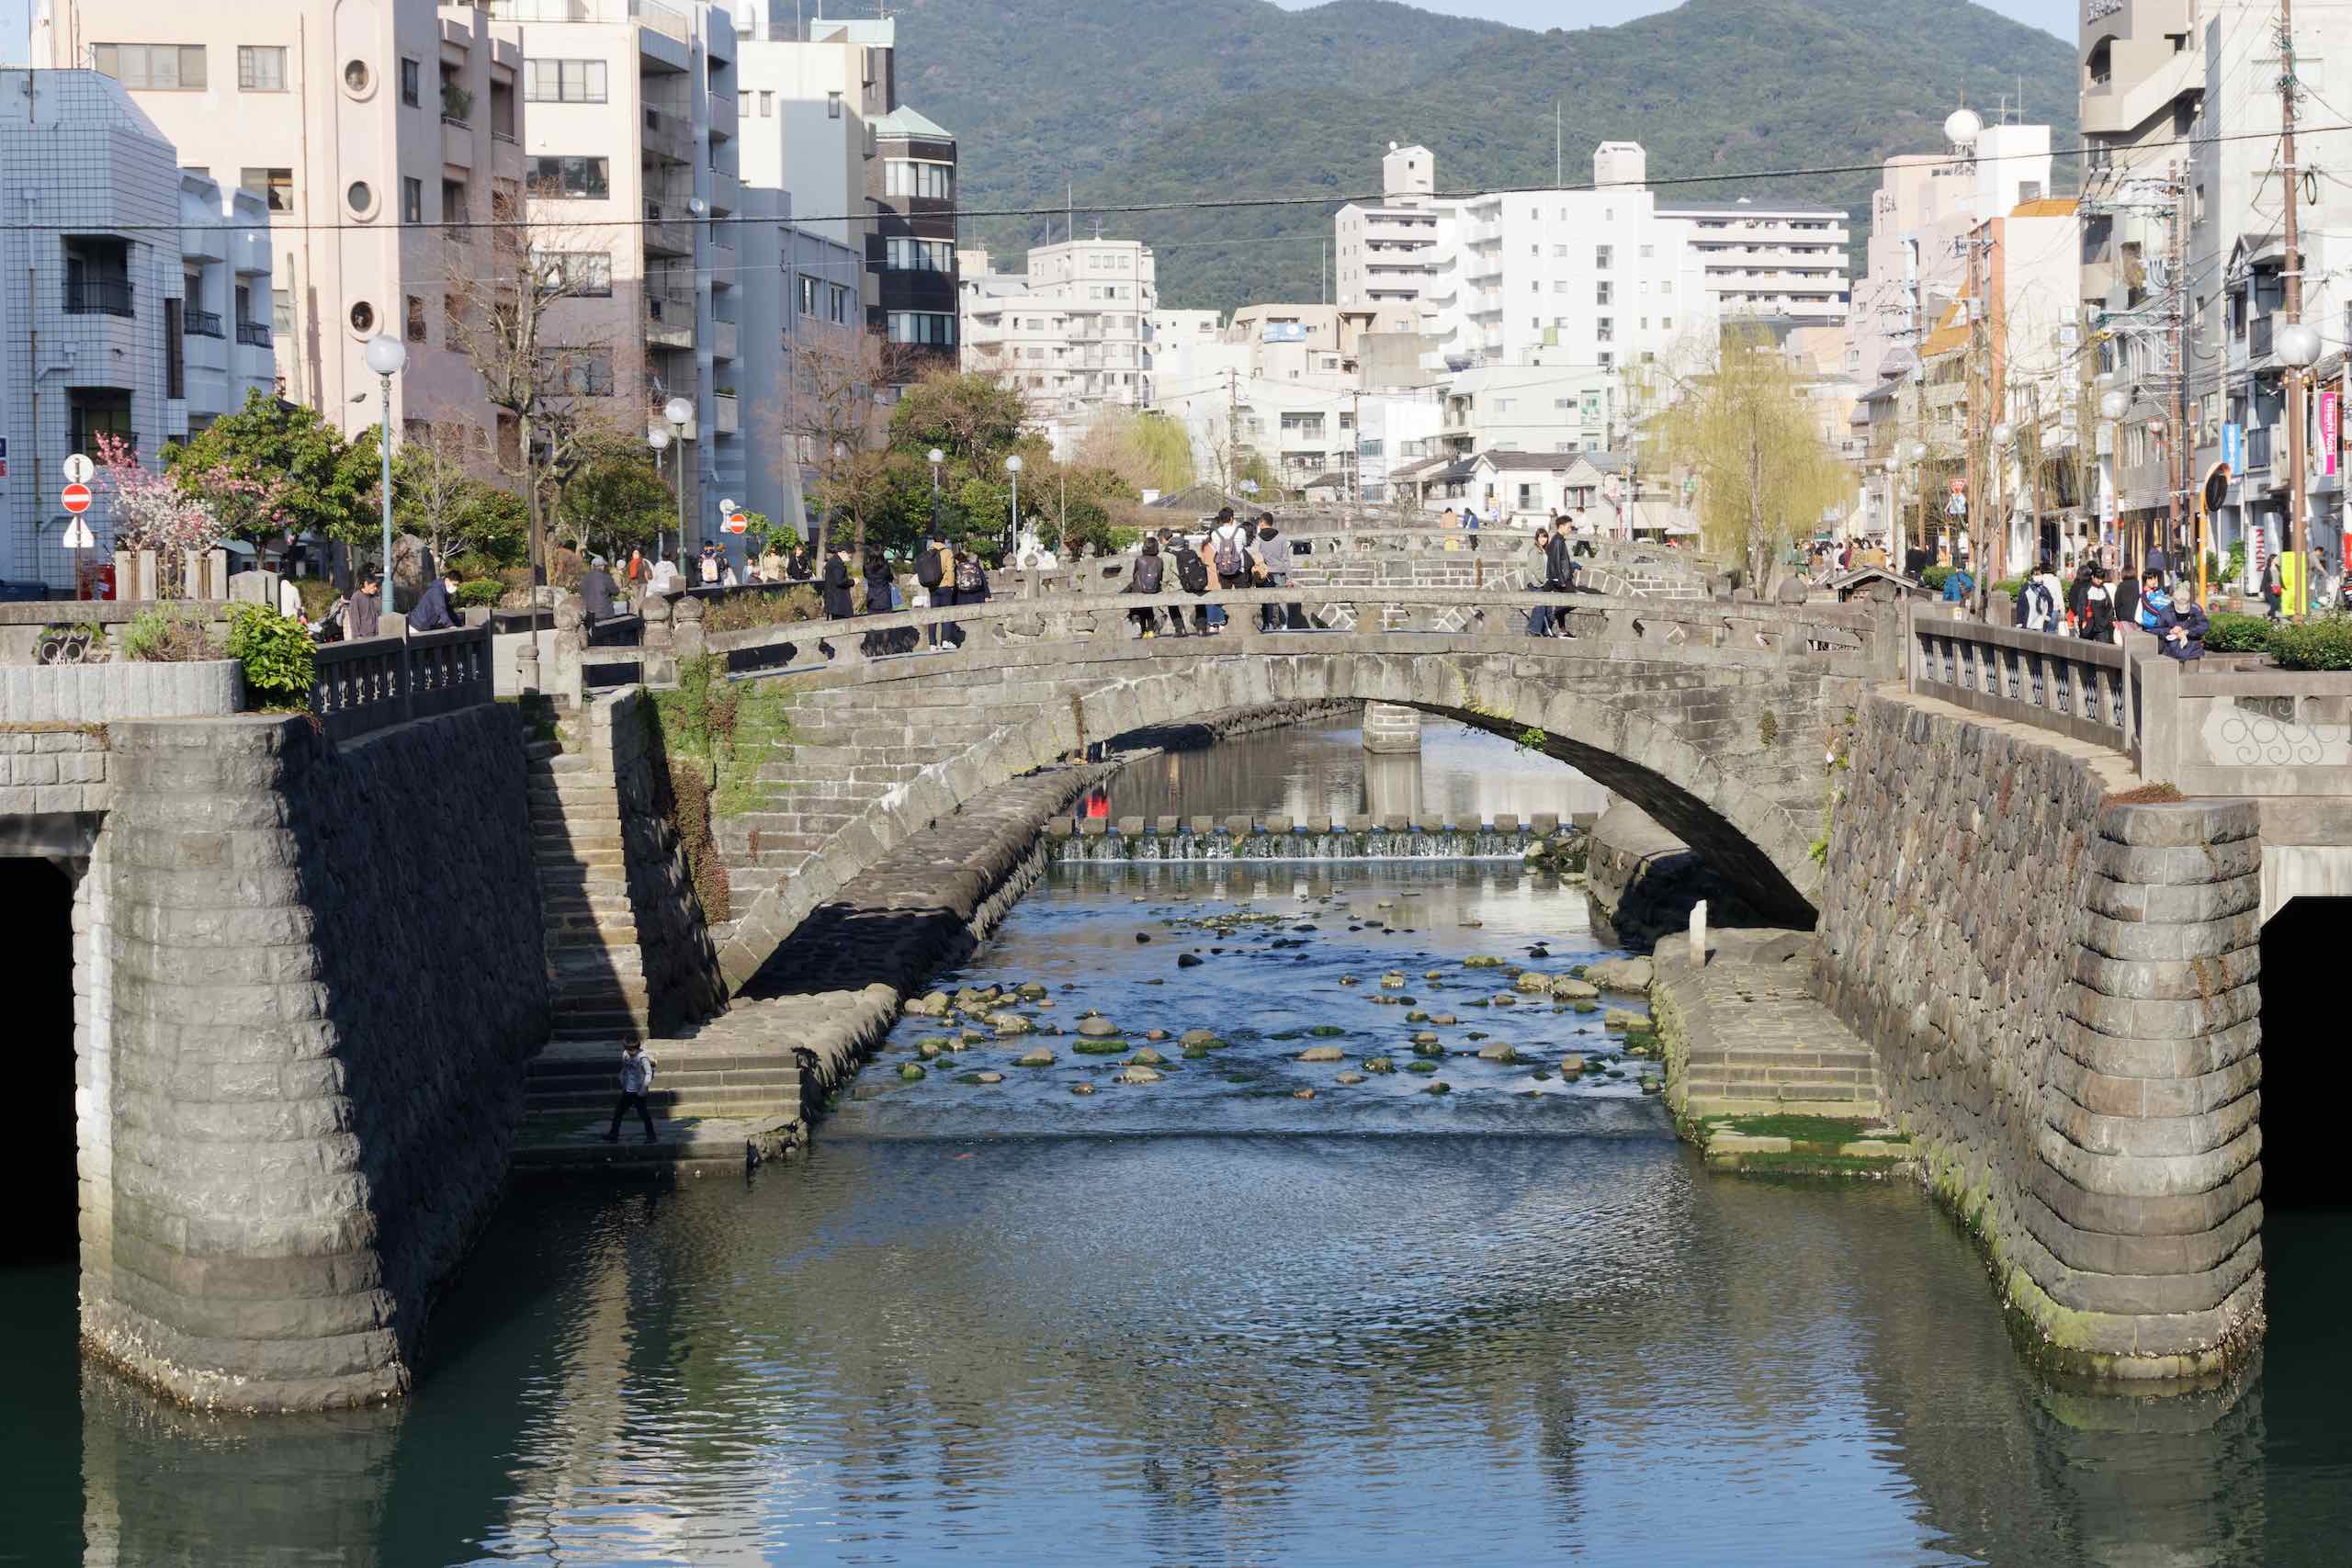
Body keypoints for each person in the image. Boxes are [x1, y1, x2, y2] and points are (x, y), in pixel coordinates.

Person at [604, 1041, 659, 1145]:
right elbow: (625, 1068)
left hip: (638, 1092)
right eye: (628, 1050)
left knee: (644, 1114)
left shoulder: (642, 1058)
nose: (630, 1053)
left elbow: (648, 1073)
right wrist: (622, 1078)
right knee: (618, 1112)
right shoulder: (625, 1054)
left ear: (637, 1048)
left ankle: (651, 1136)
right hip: (628, 1089)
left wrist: (644, 1088)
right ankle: (613, 1134)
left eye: (633, 1050)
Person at [1208, 507, 1251, 631]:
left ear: (1220, 519)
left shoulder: (1215, 534)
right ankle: (1243, 625)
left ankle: (1224, 624)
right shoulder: (1241, 531)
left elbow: (1217, 549)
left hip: (1223, 569)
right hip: (1239, 568)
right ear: (1232, 518)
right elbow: (1243, 545)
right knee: (1242, 598)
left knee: (1225, 598)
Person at [1251, 512, 1294, 631]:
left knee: (1267, 600)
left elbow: (1255, 555)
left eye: (1260, 522)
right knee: (1282, 599)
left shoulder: (1258, 538)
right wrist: (1289, 578)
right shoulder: (1281, 538)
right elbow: (1286, 559)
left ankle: (1268, 624)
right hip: (1280, 572)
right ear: (1272, 522)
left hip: (1265, 574)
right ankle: (1284, 624)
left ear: (1262, 523)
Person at [916, 533, 957, 649]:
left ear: (933, 540)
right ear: (944, 541)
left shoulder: (928, 552)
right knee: (946, 613)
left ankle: (932, 643)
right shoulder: (947, 552)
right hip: (945, 586)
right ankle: (945, 640)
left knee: (933, 614)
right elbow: (950, 570)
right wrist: (951, 585)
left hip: (932, 587)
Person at [1172, 526, 1212, 635]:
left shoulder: (1172, 555)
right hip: (1195, 583)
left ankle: (1180, 629)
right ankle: (1201, 629)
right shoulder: (1193, 553)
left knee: (1172, 605)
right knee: (1200, 602)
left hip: (1182, 586)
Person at [1126, 534, 1167, 637]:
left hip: (1139, 588)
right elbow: (1160, 575)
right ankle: (1150, 631)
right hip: (1154, 588)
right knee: (1149, 609)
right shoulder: (1159, 560)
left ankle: (1143, 631)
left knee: (1140, 609)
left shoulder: (1140, 559)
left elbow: (1135, 574)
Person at [406, 568, 463, 633]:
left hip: (423, 626)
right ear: (447, 580)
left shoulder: (444, 592)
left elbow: (449, 610)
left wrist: (458, 624)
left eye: (458, 585)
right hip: (416, 626)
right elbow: (441, 609)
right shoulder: (437, 590)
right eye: (454, 584)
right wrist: (450, 626)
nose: (456, 588)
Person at [1527, 524, 1555, 637]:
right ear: (1536, 538)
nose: (1543, 539)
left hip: (1544, 582)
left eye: (1545, 537)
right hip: (1536, 583)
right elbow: (1535, 569)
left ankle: (1545, 630)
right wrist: (1544, 581)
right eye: (1540, 537)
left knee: (1548, 608)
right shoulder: (1534, 551)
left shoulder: (1544, 550)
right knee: (1540, 607)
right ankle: (1533, 630)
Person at [2079, 564, 2115, 643]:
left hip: (2102, 625)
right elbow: (2082, 607)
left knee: (2103, 648)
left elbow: (2109, 606)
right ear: (2092, 577)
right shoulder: (2086, 589)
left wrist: (2109, 619)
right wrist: (2083, 620)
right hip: (2089, 625)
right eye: (2098, 578)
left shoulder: (2103, 589)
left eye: (2101, 578)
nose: (2100, 581)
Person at [820, 542, 856, 619]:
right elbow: (840, 581)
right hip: (838, 602)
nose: (851, 556)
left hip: (834, 601)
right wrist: (853, 581)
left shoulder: (833, 561)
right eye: (850, 554)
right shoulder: (837, 564)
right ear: (843, 552)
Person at [578, 555, 618, 625]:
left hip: (587, 613)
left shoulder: (584, 578)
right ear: (602, 566)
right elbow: (616, 592)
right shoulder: (606, 577)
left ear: (592, 566)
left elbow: (581, 591)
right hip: (604, 613)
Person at [347, 570, 384, 639]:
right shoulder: (356, 598)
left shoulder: (375, 596)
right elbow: (354, 620)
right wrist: (357, 636)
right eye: (373, 586)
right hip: (364, 637)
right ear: (366, 584)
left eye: (376, 586)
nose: (375, 588)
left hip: (377, 635)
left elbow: (380, 612)